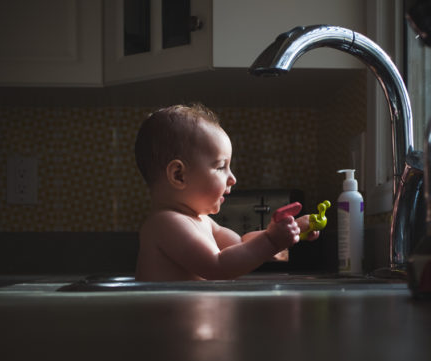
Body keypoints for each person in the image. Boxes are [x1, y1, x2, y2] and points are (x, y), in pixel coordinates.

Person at [134, 103, 320, 281]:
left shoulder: (202, 221)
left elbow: (240, 244)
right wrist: (272, 241)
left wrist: (288, 229)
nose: (233, 179)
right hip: (171, 316)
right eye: (221, 167)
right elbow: (217, 266)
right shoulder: (166, 223)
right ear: (179, 175)